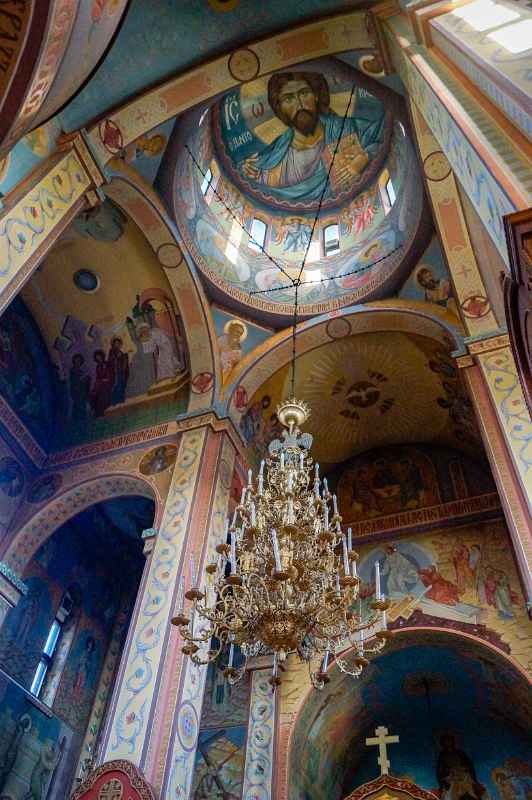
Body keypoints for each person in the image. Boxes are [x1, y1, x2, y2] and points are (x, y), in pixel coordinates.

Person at [240, 71, 384, 202]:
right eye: (288, 99)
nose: (299, 104)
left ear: (315, 96)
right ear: (280, 108)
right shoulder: (275, 156)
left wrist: (364, 157)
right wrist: (251, 171)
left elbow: (378, 134)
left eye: (304, 93)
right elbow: (259, 178)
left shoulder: (346, 128)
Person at [437, 734, 485, 800]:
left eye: (449, 740)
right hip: (451, 776)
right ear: (443, 743)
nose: (448, 742)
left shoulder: (460, 752)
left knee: (471, 788)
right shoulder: (442, 755)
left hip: (463, 774)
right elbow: (440, 770)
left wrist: (465, 768)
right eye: (446, 741)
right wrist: (449, 771)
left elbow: (469, 764)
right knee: (452, 790)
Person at [90, 350, 114, 417]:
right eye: (97, 358)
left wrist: (106, 379)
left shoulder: (107, 364)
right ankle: (97, 412)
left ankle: (99, 412)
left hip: (107, 384)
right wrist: (97, 383)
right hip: (100, 384)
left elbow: (111, 374)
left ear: (102, 356)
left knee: (103, 397)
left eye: (99, 357)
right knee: (93, 395)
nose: (99, 359)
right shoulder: (98, 366)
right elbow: (98, 377)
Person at [69, 353, 91, 421]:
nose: (78, 362)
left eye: (79, 361)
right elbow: (74, 383)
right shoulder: (72, 371)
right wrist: (83, 380)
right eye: (76, 360)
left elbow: (84, 382)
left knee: (82, 407)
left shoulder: (80, 371)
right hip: (77, 393)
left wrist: (86, 379)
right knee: (78, 407)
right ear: (74, 361)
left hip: (82, 392)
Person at [107, 337, 129, 405]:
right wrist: (116, 357)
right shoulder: (111, 352)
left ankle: (121, 402)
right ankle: (115, 402)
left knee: (122, 386)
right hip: (115, 373)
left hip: (121, 372)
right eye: (115, 344)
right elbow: (110, 361)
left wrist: (124, 358)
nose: (117, 345)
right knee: (116, 386)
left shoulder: (122, 353)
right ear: (113, 345)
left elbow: (125, 364)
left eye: (118, 344)